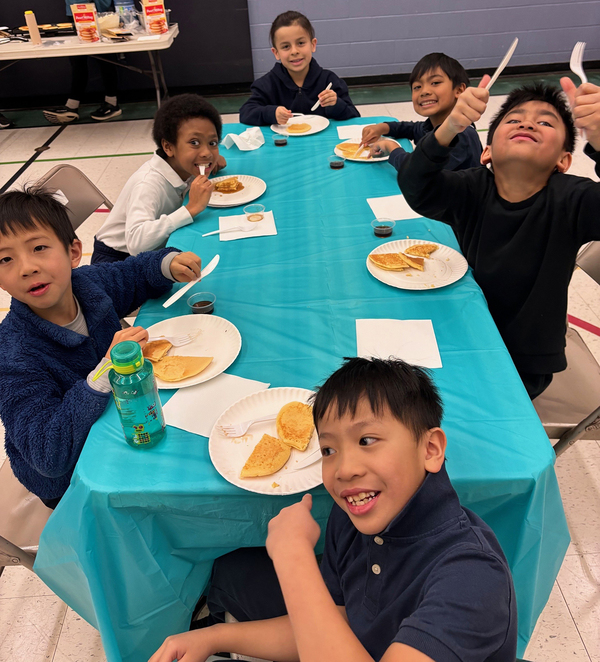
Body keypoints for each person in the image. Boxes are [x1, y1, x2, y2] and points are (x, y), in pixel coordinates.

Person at [150, 357, 517, 662]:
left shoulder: (473, 577)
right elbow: (335, 623)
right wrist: (215, 639)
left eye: (367, 440)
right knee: (228, 571)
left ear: (431, 449)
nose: (343, 469)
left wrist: (294, 557)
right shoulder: (354, 516)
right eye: (328, 450)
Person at [392, 76, 600, 399]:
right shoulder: (473, 188)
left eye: (545, 122)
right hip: (465, 335)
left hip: (522, 363)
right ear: (487, 152)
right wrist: (448, 128)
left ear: (563, 160)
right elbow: (416, 187)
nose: (528, 124)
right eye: (514, 119)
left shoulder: (571, 200)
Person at [0, 185, 201, 507]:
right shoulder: (12, 354)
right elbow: (47, 454)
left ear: (73, 252)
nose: (26, 267)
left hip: (127, 418)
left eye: (38, 248)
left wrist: (168, 263)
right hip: (76, 479)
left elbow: (134, 273)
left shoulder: (88, 285)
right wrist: (107, 370)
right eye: (5, 259)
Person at [92, 94, 226, 264]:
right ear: (168, 147)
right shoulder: (148, 184)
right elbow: (136, 244)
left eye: (212, 143)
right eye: (194, 142)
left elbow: (205, 154)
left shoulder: (184, 166)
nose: (206, 152)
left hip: (152, 250)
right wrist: (190, 209)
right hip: (116, 262)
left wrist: (211, 159)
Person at [362, 52, 482, 171]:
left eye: (435, 83)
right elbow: (413, 129)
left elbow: (418, 172)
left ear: (459, 90)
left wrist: (391, 148)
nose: (424, 91)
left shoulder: (462, 135)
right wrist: (383, 127)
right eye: (417, 87)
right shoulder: (431, 126)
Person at [239, 11, 360, 126]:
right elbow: (246, 113)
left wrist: (336, 104)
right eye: (286, 46)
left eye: (301, 43)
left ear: (313, 45)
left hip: (322, 144)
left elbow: (354, 116)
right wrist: (271, 113)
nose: (295, 51)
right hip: (283, 145)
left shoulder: (330, 81)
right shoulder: (266, 85)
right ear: (276, 53)